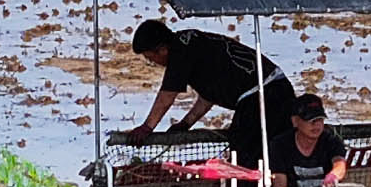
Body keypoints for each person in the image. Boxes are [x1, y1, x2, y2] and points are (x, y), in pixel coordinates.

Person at [122, 19, 297, 153]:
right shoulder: (191, 44)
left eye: (150, 58)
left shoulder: (180, 52)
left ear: (162, 50)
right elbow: (209, 95)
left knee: (245, 152)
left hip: (262, 94)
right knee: (269, 148)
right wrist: (186, 123)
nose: (153, 63)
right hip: (276, 87)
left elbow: (167, 94)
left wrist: (147, 127)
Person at [271, 94, 350, 187]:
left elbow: (339, 164)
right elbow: (280, 186)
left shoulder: (331, 141)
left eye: (320, 119)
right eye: (310, 120)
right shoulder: (280, 145)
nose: (316, 125)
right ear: (295, 121)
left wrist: (333, 176)